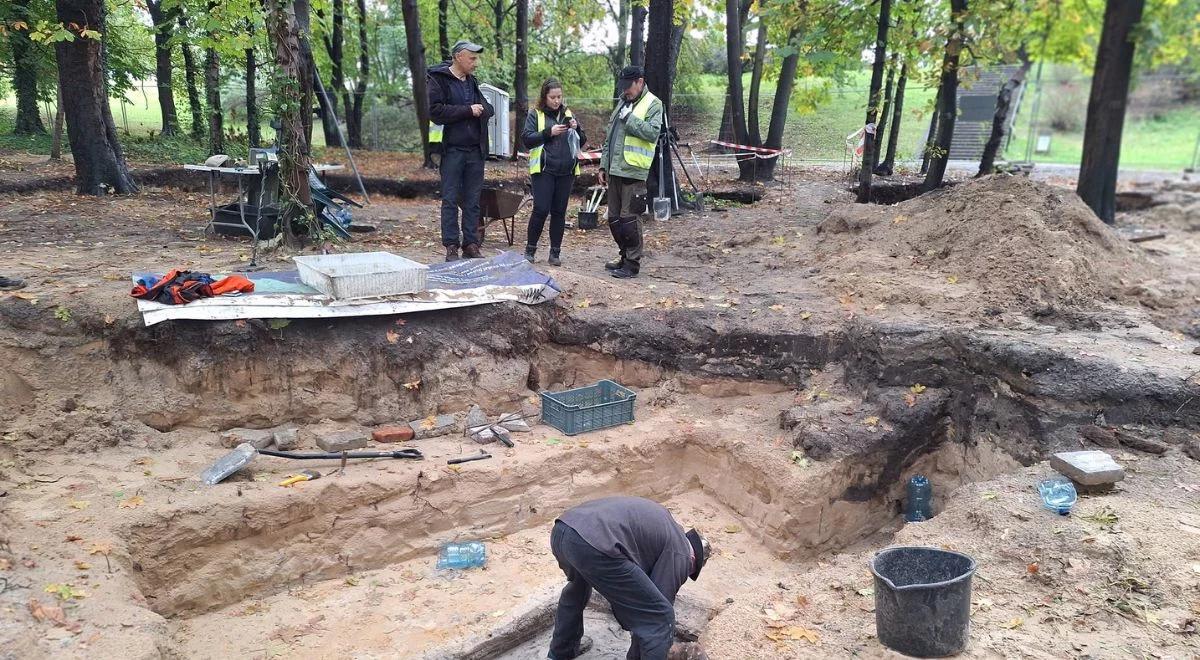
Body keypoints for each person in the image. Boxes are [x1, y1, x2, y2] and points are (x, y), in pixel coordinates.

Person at [547, 496, 711, 660]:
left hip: (564, 531)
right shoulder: (683, 554)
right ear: (694, 561)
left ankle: (559, 653)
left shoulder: (665, 527)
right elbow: (655, 611)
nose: (684, 575)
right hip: (595, 544)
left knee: (577, 590)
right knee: (660, 618)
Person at [427, 40, 495, 262]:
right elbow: (435, 111)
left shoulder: (472, 83)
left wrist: (482, 109)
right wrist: (468, 110)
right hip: (452, 150)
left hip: (475, 151)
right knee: (449, 200)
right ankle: (451, 246)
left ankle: (471, 243)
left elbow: (488, 108)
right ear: (458, 57)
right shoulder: (439, 80)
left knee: (472, 201)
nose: (476, 63)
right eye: (472, 58)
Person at [598, 66, 663, 279]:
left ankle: (632, 264)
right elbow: (610, 137)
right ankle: (624, 256)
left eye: (629, 87)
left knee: (629, 219)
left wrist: (630, 119)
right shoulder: (622, 103)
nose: (626, 91)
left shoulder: (654, 104)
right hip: (615, 169)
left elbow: (652, 133)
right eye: (623, 87)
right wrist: (603, 166)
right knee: (615, 219)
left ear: (640, 82)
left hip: (634, 171)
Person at [522, 78, 587, 266]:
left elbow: (581, 141)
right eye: (552, 97)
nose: (557, 101)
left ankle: (555, 253)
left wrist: (577, 128)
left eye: (559, 97)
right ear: (545, 97)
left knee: (559, 212)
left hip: (566, 170)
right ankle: (530, 249)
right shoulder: (536, 114)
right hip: (544, 169)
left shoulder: (568, 114)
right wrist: (548, 133)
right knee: (541, 209)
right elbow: (527, 139)